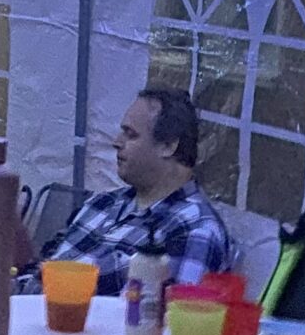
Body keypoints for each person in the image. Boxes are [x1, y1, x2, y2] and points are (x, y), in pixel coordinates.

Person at [40, 88, 235, 294]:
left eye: (130, 134)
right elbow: (42, 268)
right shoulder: (102, 202)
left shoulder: (194, 230)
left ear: (168, 146)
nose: (117, 142)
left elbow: (173, 313)